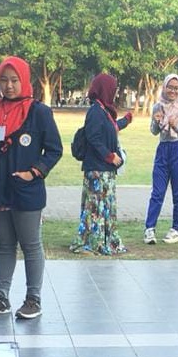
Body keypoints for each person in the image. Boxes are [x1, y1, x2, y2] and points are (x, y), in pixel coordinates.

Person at [0, 56, 63, 319]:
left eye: (14, 80)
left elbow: (54, 150)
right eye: (4, 80)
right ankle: (1, 298)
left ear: (24, 80)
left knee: (31, 245)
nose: (9, 86)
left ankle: (33, 299)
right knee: (4, 245)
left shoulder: (39, 112)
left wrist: (33, 172)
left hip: (26, 191)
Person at [70, 73, 132, 255]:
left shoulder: (104, 111)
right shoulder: (96, 112)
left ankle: (105, 239)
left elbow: (110, 129)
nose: (114, 92)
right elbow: (94, 137)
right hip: (97, 169)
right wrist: (109, 156)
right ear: (104, 89)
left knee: (104, 207)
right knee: (95, 208)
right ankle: (90, 242)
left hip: (105, 170)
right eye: (112, 88)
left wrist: (125, 121)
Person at [144, 73, 178, 245]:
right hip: (163, 150)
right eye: (170, 87)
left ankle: (176, 229)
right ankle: (149, 229)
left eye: (176, 88)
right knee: (157, 191)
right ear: (164, 87)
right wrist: (156, 122)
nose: (173, 91)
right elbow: (153, 131)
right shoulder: (158, 107)